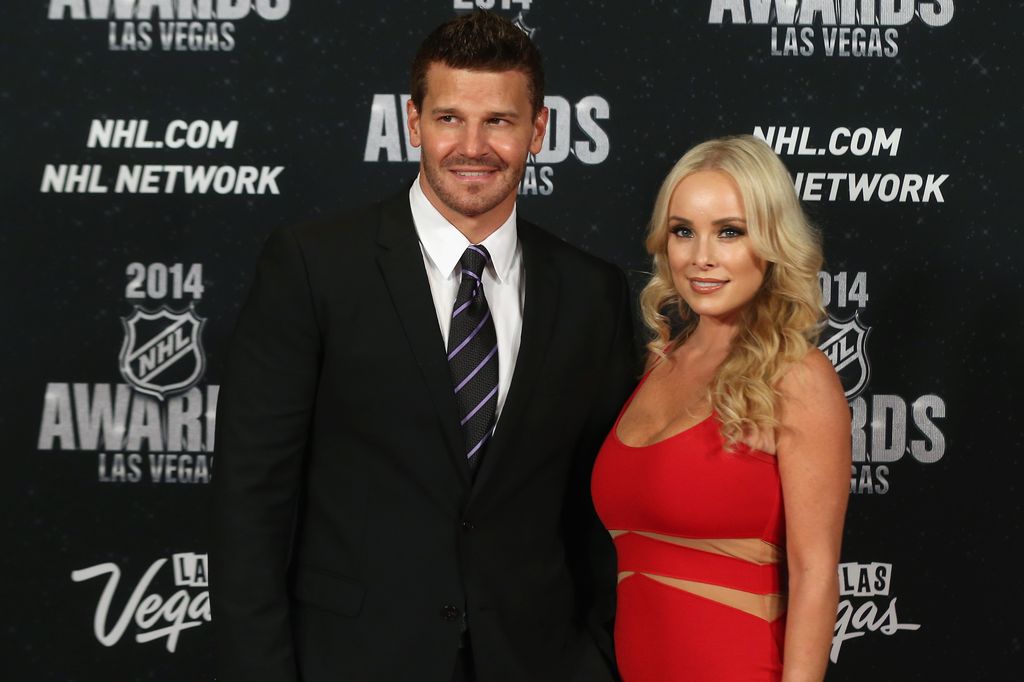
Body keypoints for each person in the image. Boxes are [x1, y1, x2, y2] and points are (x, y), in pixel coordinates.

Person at [211, 11, 636, 682]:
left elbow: (602, 509)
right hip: (352, 661)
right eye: (449, 119)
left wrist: (597, 660)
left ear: (540, 129)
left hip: (535, 661)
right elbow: (250, 501)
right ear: (413, 123)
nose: (473, 146)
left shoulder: (593, 292)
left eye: (499, 121)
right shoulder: (313, 266)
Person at [591, 135, 850, 681]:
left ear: (772, 241)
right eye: (683, 231)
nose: (700, 257)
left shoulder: (798, 376)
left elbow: (815, 573)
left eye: (729, 232)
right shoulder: (660, 362)